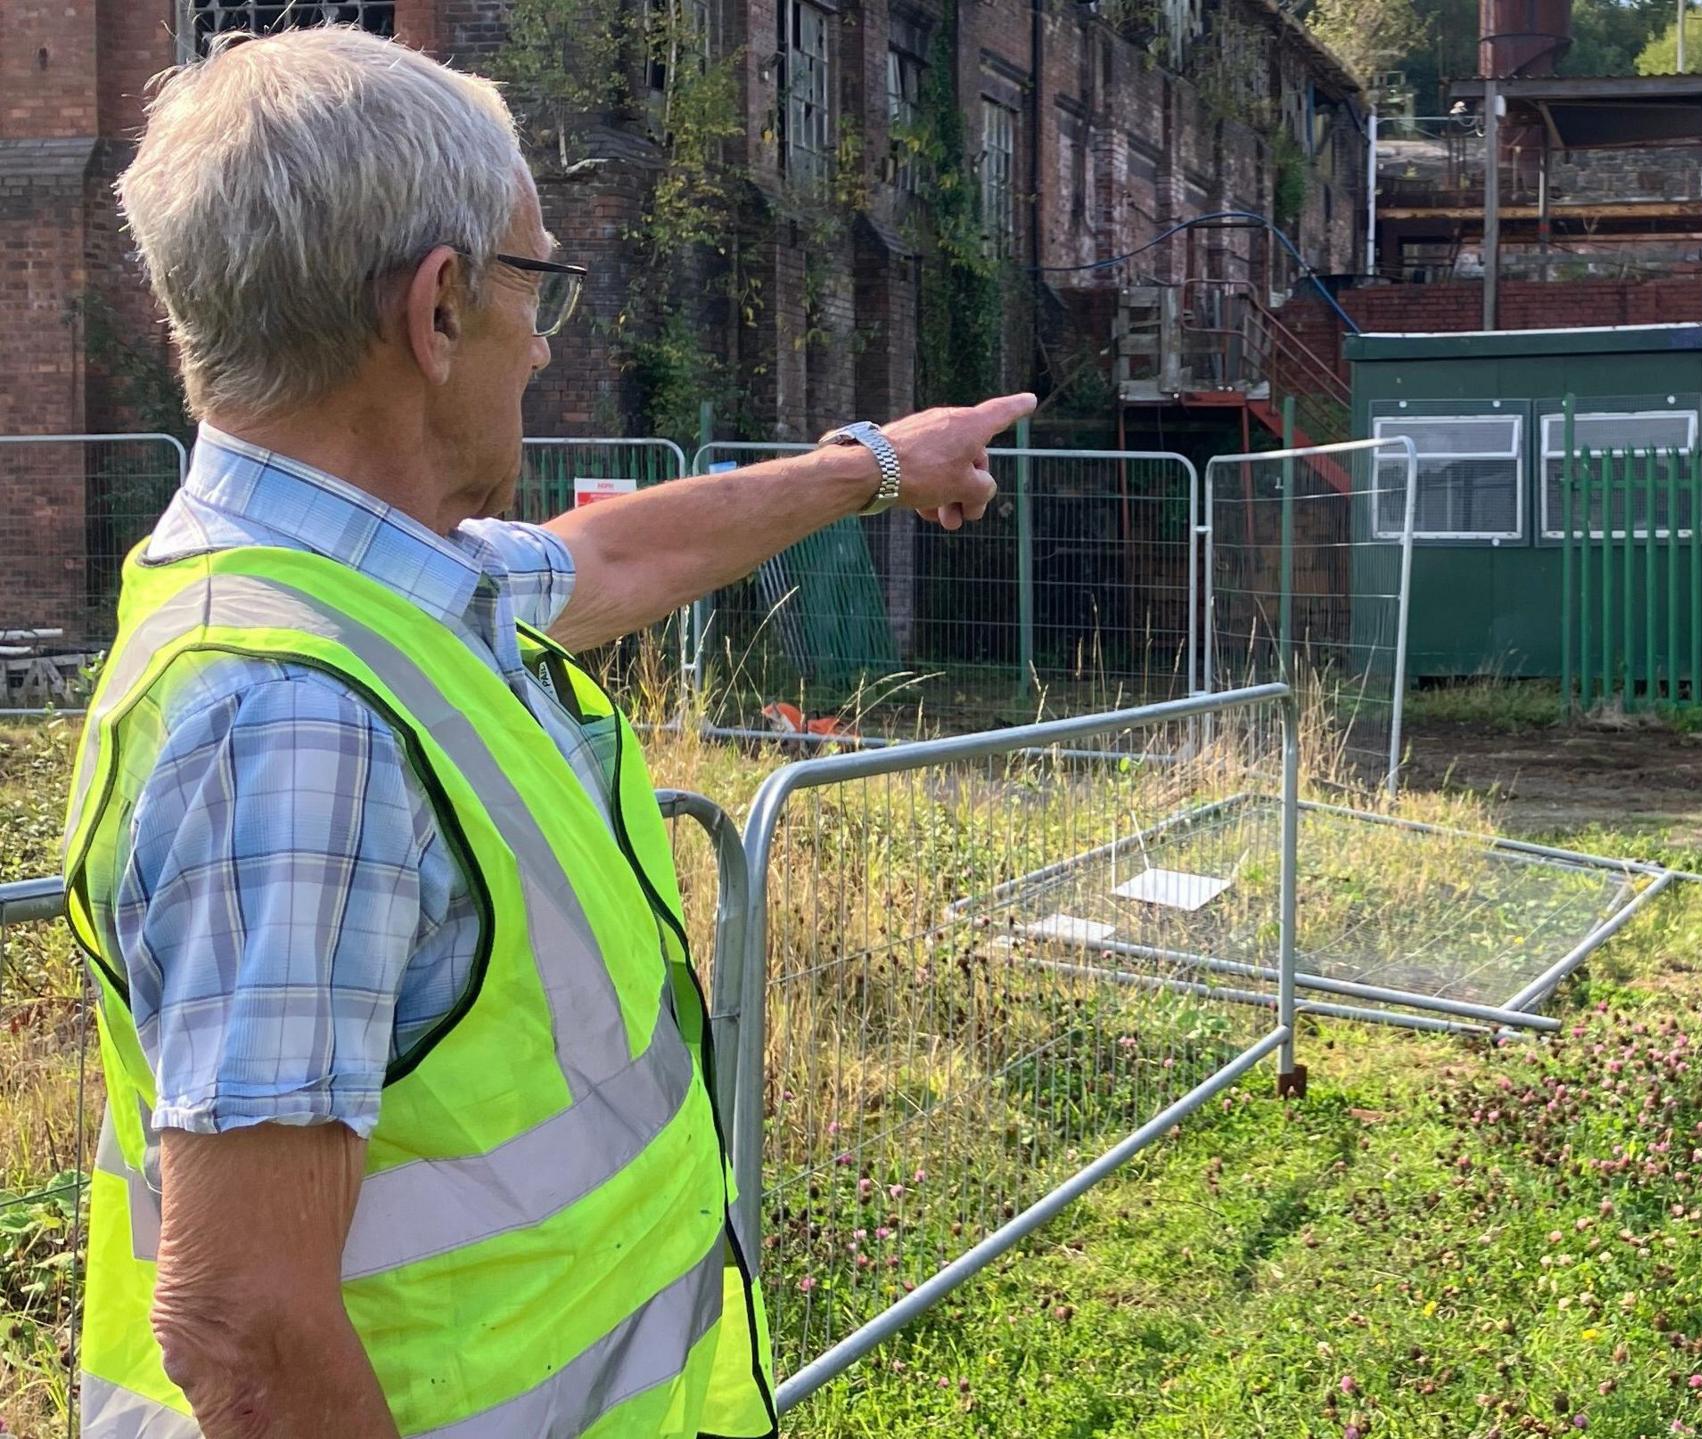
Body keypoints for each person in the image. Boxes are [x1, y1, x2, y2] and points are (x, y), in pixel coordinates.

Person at [61, 26, 1033, 1439]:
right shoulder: (290, 718)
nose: (544, 338)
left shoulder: (378, 586)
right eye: (541, 284)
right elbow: (245, 1338)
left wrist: (877, 466)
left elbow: (615, 560)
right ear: (440, 309)